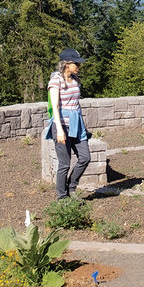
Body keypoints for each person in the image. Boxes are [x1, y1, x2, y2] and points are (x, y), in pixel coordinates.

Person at [44, 48, 91, 199]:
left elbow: (76, 103)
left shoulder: (75, 79)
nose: (79, 66)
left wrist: (82, 125)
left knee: (85, 157)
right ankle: (62, 197)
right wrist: (59, 130)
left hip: (77, 124)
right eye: (76, 63)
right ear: (66, 64)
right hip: (62, 124)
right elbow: (55, 107)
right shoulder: (56, 80)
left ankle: (71, 186)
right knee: (64, 164)